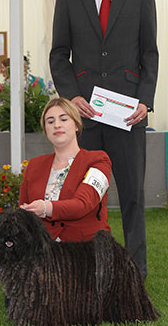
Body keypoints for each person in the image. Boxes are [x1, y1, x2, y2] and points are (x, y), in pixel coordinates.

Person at [49, 0, 158, 278]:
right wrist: (72, 97)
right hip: (86, 113)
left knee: (132, 195)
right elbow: (58, 54)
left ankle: (135, 273)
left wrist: (145, 100)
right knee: (84, 196)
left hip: (129, 114)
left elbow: (150, 54)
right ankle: (85, 270)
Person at [19, 98, 112, 242]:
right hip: (44, 251)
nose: (57, 125)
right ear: (46, 130)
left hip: (87, 249)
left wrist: (46, 208)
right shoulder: (34, 165)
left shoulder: (98, 160)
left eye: (63, 119)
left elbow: (83, 204)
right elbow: (23, 214)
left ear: (76, 125)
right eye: (50, 121)